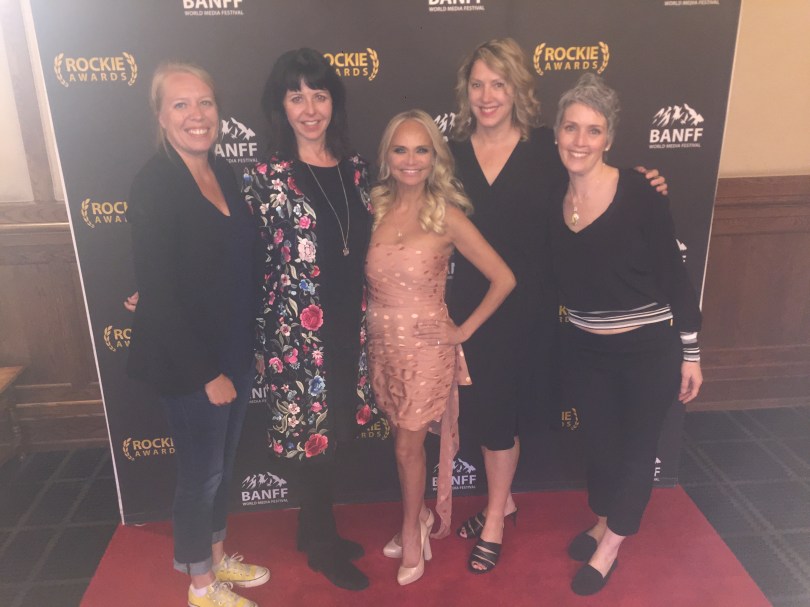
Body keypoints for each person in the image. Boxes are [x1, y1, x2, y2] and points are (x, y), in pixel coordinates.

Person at [447, 38, 668, 574]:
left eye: (499, 83)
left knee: (507, 416)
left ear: (517, 89)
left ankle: (495, 516)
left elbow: (598, 185)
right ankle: (504, 503)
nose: (487, 95)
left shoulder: (548, 148)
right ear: (465, 91)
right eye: (477, 84)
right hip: (472, 311)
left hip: (533, 311)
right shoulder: (449, 154)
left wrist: (644, 181)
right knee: (487, 416)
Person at [550, 73, 703, 596]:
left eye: (593, 130)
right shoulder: (553, 198)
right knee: (601, 448)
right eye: (571, 127)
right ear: (557, 133)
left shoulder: (639, 192)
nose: (580, 140)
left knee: (637, 450)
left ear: (609, 138)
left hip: (647, 350)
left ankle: (611, 547)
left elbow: (674, 275)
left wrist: (691, 353)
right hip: (586, 349)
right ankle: (603, 521)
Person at [126, 62, 268, 607]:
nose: (196, 115)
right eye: (181, 104)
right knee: (200, 476)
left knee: (222, 468)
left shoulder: (223, 172)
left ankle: (215, 556)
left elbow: (235, 269)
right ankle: (201, 587)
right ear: (161, 117)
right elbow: (159, 293)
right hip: (189, 364)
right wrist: (207, 374)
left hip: (233, 349)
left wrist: (249, 348)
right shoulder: (154, 183)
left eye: (205, 102)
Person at [243, 48, 373, 591]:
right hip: (295, 334)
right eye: (296, 97)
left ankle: (309, 526)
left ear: (333, 102)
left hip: (350, 324)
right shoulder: (265, 179)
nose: (310, 108)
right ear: (281, 106)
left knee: (338, 428)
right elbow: (243, 262)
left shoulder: (356, 169)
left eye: (319, 95)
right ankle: (322, 545)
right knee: (310, 437)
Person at [366, 110, 515, 585]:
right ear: (387, 157)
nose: (411, 160)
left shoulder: (446, 214)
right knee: (401, 443)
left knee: (407, 446)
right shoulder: (375, 208)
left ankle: (413, 529)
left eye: (421, 150)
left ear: (435, 158)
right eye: (400, 150)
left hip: (426, 351)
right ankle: (420, 515)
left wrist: (462, 331)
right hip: (383, 348)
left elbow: (503, 278)